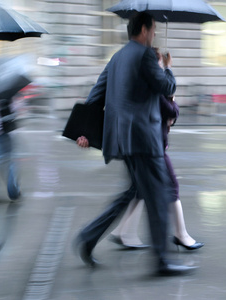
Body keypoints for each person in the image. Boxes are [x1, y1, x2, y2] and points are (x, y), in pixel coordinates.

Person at [73, 12, 197, 275]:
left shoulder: (117, 57)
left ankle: (88, 236)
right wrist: (167, 67)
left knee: (132, 192)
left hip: (122, 140)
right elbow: (165, 87)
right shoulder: (143, 55)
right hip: (144, 139)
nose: (154, 34)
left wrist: (83, 132)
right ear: (143, 29)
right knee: (159, 193)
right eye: (152, 29)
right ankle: (162, 262)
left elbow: (96, 95)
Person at [109, 49, 204, 251]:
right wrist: (171, 96)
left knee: (141, 189)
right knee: (172, 187)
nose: (160, 68)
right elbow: (171, 111)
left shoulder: (138, 81)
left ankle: (123, 231)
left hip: (138, 146)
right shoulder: (151, 85)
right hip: (153, 147)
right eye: (159, 64)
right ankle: (181, 234)